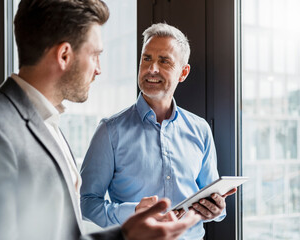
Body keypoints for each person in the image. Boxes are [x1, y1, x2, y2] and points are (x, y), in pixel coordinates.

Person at [0, 1, 201, 240]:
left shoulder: (50, 124)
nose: (99, 69)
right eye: (95, 55)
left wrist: (125, 235)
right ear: (64, 55)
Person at [80, 22, 236, 240]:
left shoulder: (200, 130)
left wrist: (216, 210)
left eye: (164, 61)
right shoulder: (109, 131)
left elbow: (212, 199)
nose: (152, 69)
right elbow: (85, 202)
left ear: (183, 72)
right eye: (147, 58)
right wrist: (131, 213)